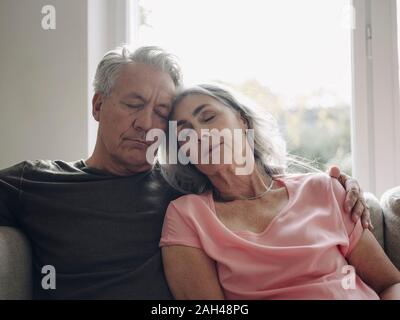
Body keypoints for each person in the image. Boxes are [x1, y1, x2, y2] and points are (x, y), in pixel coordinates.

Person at [0, 46, 370, 299]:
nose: (147, 124)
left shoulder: (182, 186)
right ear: (98, 105)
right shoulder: (35, 183)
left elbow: (266, 191)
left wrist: (341, 185)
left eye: (162, 112)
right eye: (133, 104)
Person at [159, 83, 400, 300]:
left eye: (209, 117)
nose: (200, 134)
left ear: (243, 121)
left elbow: (390, 284)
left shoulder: (323, 188)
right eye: (185, 133)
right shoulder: (187, 215)